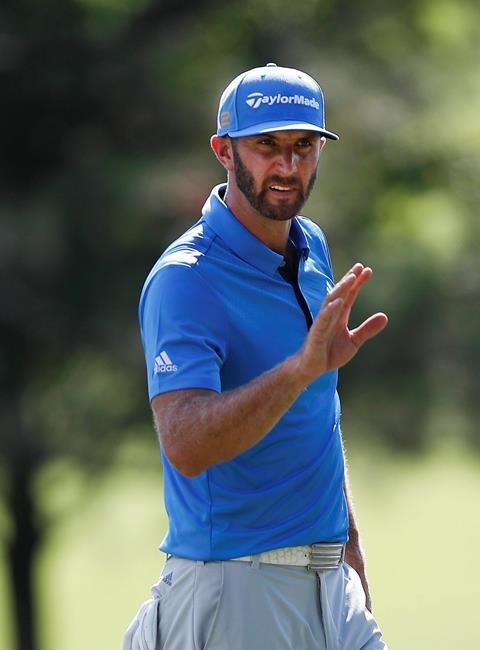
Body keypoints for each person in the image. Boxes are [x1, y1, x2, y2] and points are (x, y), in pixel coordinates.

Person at [124, 62, 389, 650]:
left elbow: (318, 407)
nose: (288, 166)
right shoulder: (185, 280)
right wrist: (298, 371)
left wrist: (349, 550)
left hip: (328, 583)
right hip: (236, 588)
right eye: (267, 145)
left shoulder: (310, 244)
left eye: (303, 145)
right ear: (224, 151)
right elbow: (186, 444)